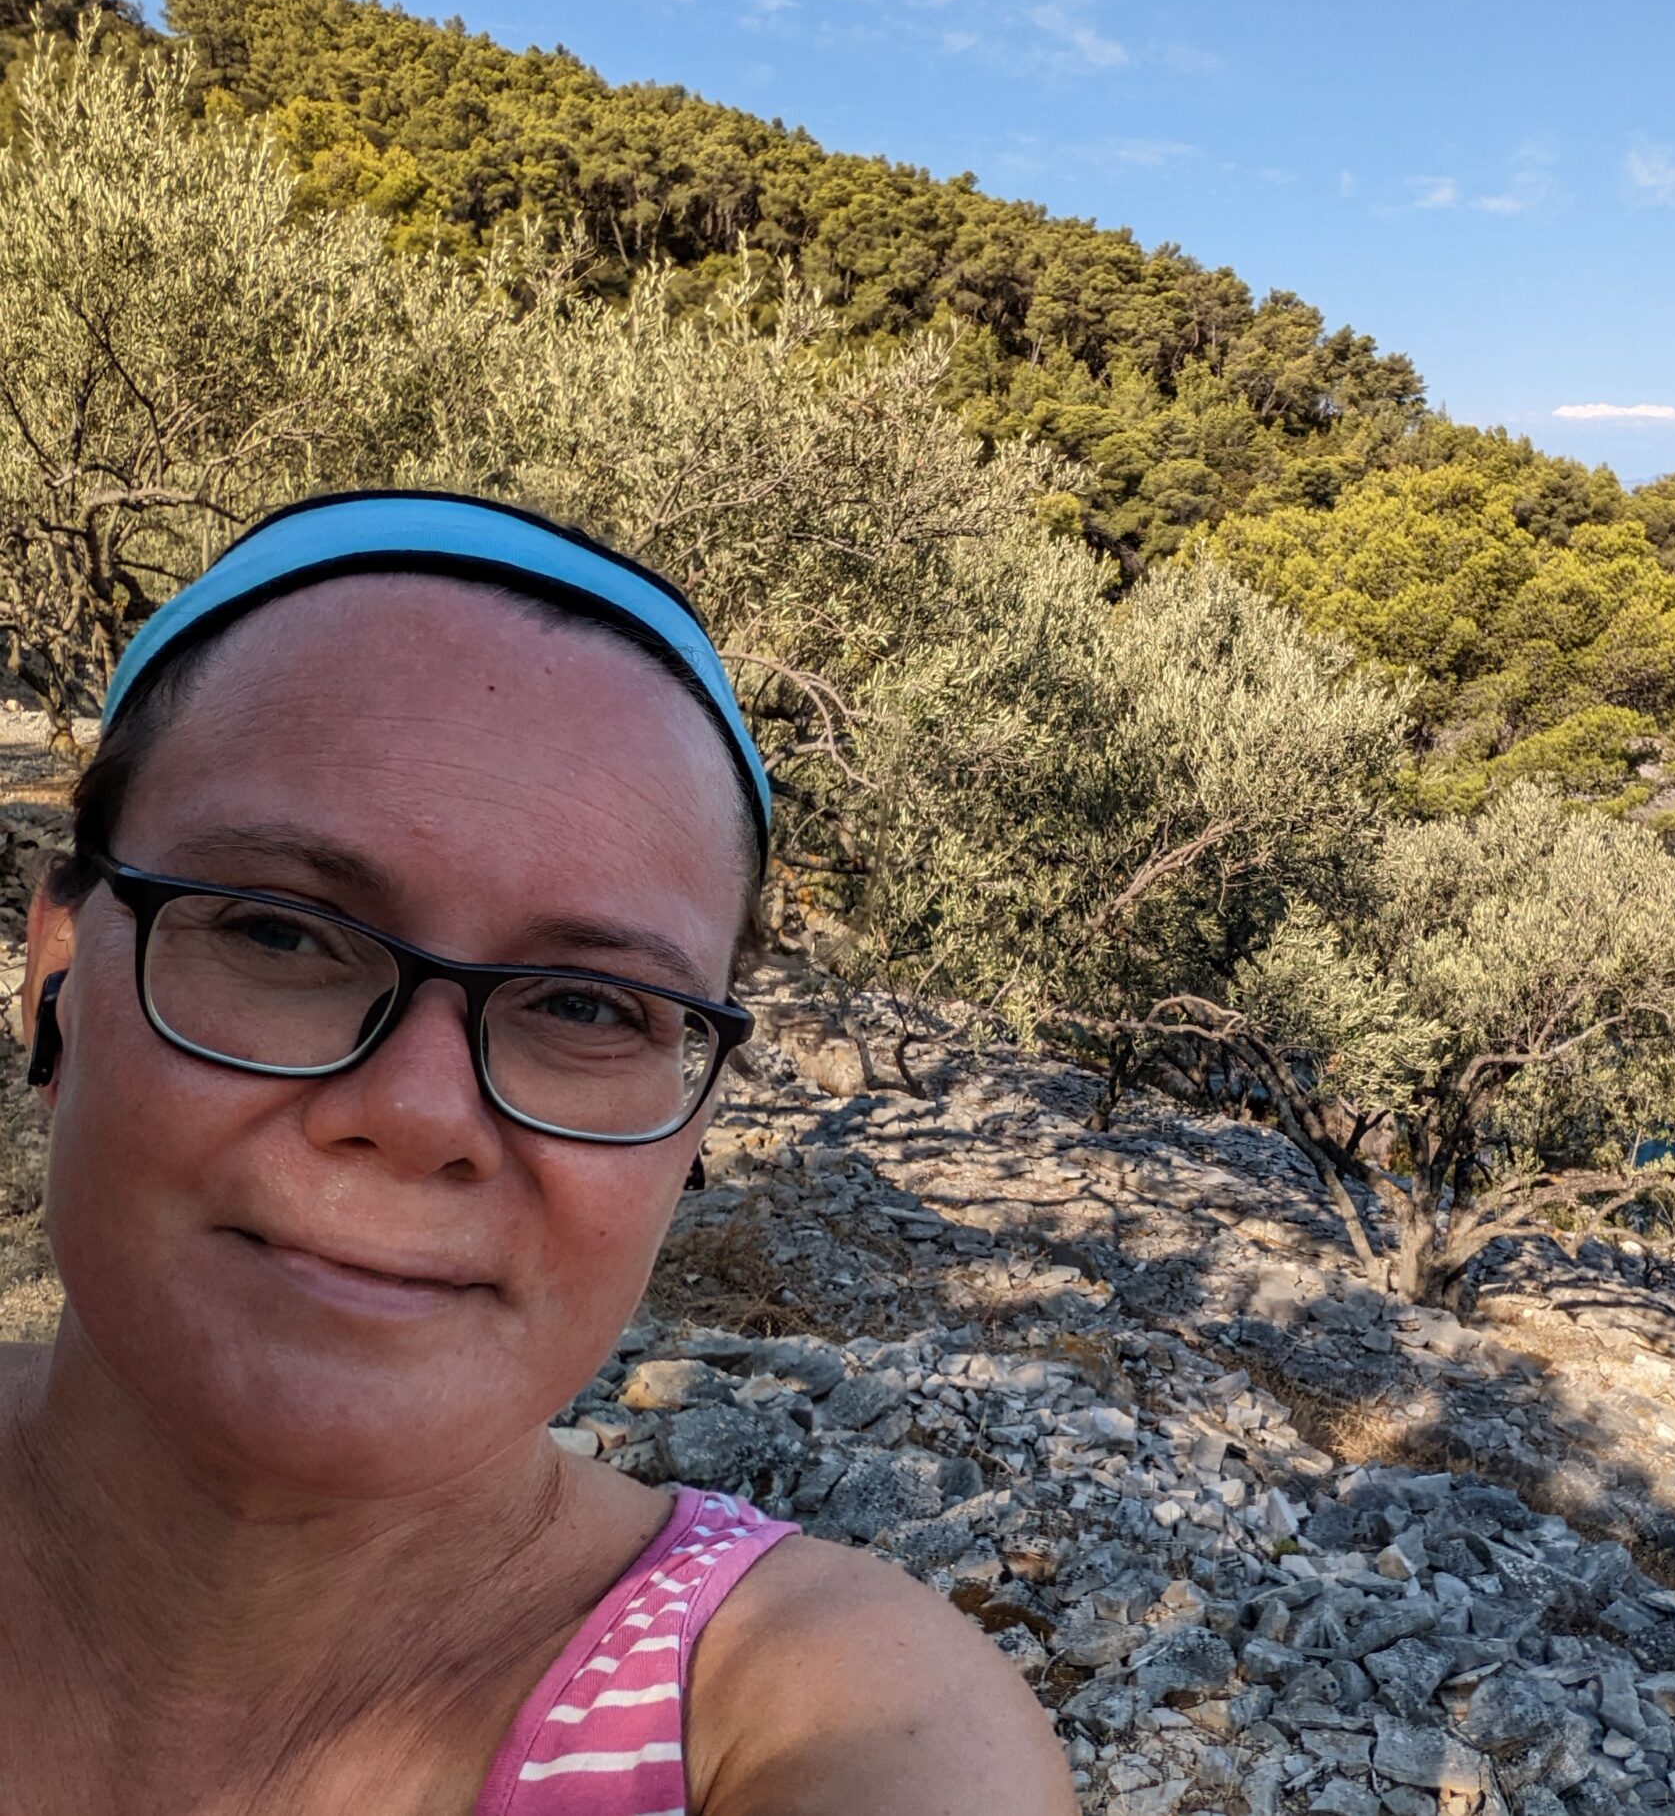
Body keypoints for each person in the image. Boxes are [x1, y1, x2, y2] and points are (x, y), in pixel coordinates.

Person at [0, 492, 1079, 1814]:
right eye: (280, 932)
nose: (420, 1114)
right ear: (56, 976)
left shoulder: (834, 1713)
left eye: (586, 1006)